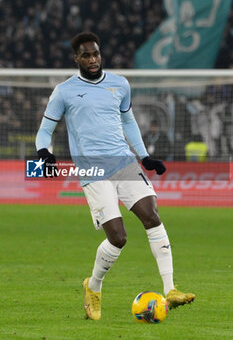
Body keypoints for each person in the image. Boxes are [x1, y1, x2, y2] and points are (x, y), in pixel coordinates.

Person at [35, 32, 195, 320]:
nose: (93, 59)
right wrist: (44, 154)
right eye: (86, 55)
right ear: (76, 59)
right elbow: (45, 131)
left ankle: (170, 289)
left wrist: (144, 155)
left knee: (152, 216)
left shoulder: (120, 84)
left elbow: (128, 121)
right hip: (92, 170)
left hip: (124, 163)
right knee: (118, 238)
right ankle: (93, 287)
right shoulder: (64, 91)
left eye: (96, 53)